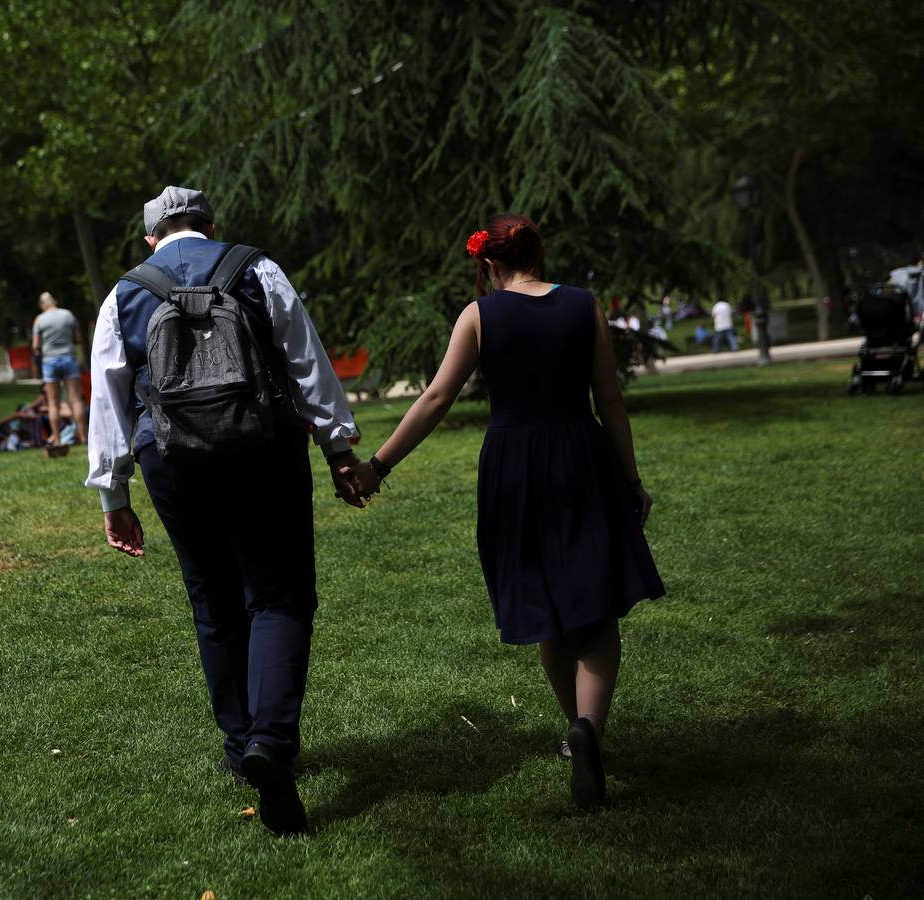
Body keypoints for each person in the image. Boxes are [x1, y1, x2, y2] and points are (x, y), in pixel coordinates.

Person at [346, 215, 664, 811]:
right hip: (580, 457)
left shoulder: (479, 315)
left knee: (541, 600)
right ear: (538, 255)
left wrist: (377, 466)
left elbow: (437, 397)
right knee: (594, 608)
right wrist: (631, 478)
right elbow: (611, 399)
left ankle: (575, 732)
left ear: (489, 264)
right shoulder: (584, 306)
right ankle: (589, 728)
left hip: (513, 467)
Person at [85, 186, 363, 836]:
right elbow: (305, 360)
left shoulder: (124, 291)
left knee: (213, 601)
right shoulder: (253, 268)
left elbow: (109, 394)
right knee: (280, 595)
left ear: (151, 238)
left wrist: (113, 493)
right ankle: (270, 739)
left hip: (171, 460)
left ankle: (242, 749)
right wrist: (338, 447)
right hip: (263, 448)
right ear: (211, 225)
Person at [32, 291, 88, 448]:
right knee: (76, 400)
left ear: (42, 305)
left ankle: (57, 439)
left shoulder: (39, 320)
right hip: (69, 358)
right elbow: (77, 339)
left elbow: (36, 346)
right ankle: (83, 436)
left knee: (53, 403)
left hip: (49, 361)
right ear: (55, 301)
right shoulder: (68, 315)